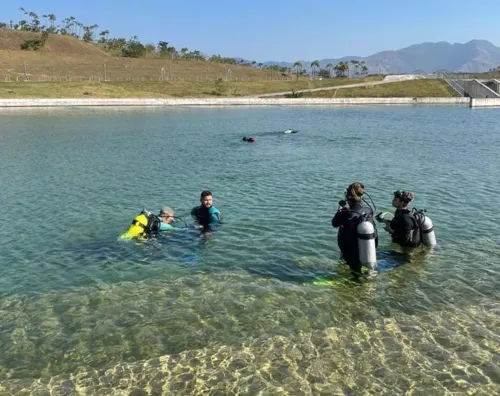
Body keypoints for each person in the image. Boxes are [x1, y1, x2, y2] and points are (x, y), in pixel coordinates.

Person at [331, 182, 378, 275]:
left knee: (354, 274)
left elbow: (334, 223)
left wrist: (339, 210)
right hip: (366, 248)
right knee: (362, 273)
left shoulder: (346, 213)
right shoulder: (368, 210)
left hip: (351, 252)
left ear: (348, 197)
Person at [120, 206, 185, 239]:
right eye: (171, 218)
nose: (171, 220)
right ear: (167, 217)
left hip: (127, 235)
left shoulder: (151, 218)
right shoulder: (163, 225)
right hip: (139, 239)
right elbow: (180, 230)